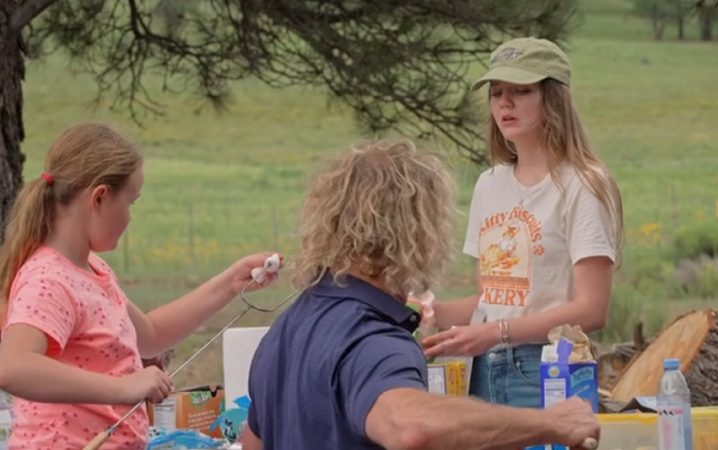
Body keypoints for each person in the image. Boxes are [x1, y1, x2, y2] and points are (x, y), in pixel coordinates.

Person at [242, 140, 601, 450]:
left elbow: (251, 442)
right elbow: (411, 427)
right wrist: (549, 423)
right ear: (419, 231)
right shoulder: (374, 340)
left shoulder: (286, 330)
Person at [0, 123, 280, 450]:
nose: (131, 217)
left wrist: (231, 283)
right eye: (131, 202)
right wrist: (122, 387)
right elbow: (12, 366)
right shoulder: (50, 279)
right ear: (100, 197)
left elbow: (150, 335)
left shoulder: (92, 270)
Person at [421, 37, 624, 408]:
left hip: (548, 369)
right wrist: (430, 311)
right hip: (480, 371)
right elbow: (493, 301)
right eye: (496, 92)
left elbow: (593, 309)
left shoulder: (584, 184)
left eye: (521, 90)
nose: (504, 103)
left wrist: (494, 333)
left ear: (554, 98)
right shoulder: (490, 183)